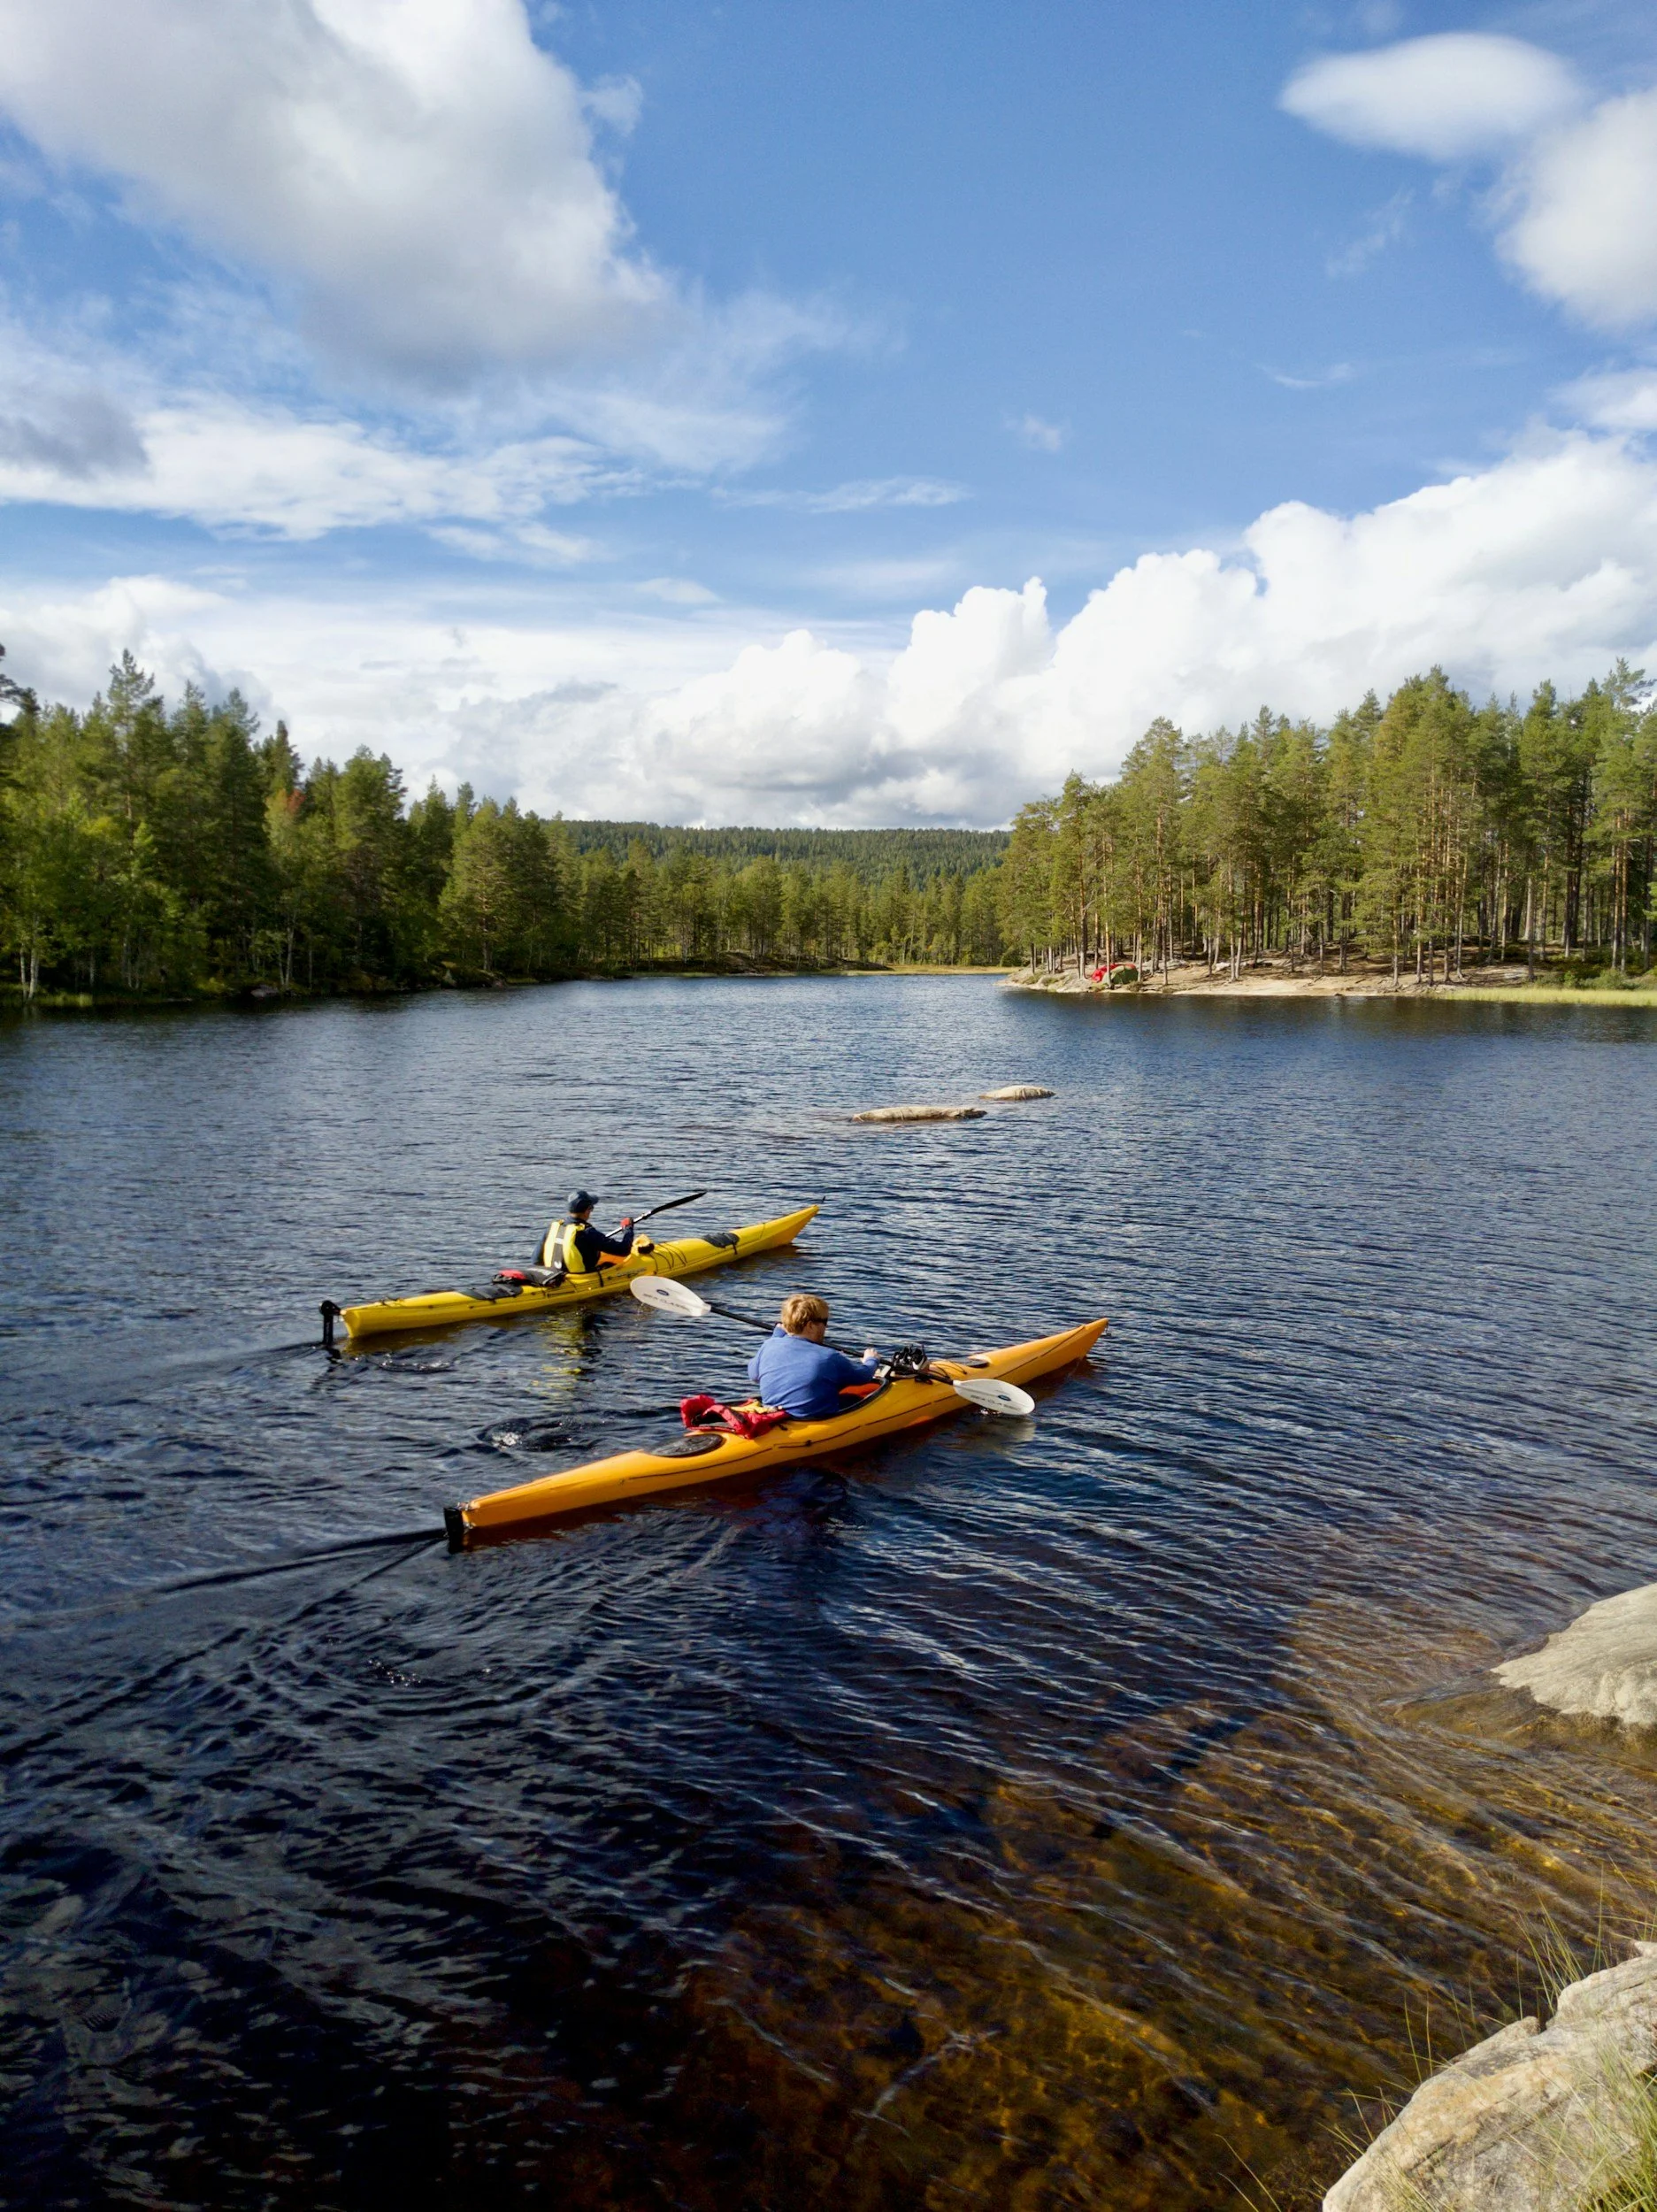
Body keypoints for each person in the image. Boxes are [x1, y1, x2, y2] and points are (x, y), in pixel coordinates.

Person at [746, 1293, 882, 1420]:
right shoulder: (829, 1356)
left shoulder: (769, 1345)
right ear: (810, 1326)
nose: (825, 1327)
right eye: (824, 1322)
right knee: (853, 1398)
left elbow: (754, 1375)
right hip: (813, 1418)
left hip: (774, 1412)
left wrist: (776, 1336)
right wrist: (871, 1361)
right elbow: (862, 1377)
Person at [539, 1191, 644, 1278]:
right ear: (587, 1211)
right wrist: (628, 1229)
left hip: (554, 1275)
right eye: (591, 1208)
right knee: (610, 1265)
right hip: (581, 1278)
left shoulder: (553, 1227)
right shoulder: (587, 1232)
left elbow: (536, 1259)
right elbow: (624, 1250)